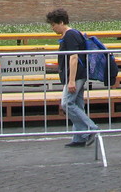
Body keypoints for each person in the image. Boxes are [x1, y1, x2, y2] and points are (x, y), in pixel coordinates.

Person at [46, 8, 99, 147]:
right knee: (78, 105)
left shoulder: (70, 35)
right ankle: (79, 138)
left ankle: (90, 128)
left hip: (75, 76)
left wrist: (71, 81)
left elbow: (73, 58)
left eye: (53, 24)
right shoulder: (73, 34)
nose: (52, 28)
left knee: (67, 103)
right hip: (78, 75)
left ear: (61, 22)